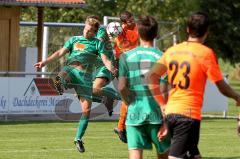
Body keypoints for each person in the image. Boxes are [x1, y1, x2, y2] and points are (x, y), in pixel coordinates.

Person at [148, 11, 240, 159]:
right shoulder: (206, 53)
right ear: (207, 32)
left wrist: (161, 104)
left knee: (193, 155)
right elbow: (221, 85)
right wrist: (237, 97)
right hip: (188, 115)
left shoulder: (172, 51)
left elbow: (151, 77)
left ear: (188, 30)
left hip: (171, 113)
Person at [34, 16, 117, 153]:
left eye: (90, 31)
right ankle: (60, 84)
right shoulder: (74, 40)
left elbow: (105, 59)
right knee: (61, 75)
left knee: (86, 110)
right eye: (86, 28)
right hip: (71, 71)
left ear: (95, 32)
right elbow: (60, 52)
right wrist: (44, 62)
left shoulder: (97, 43)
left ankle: (78, 139)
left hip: (84, 78)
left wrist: (111, 68)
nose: (86, 32)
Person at [118, 15, 170, 159]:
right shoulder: (163, 56)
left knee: (135, 155)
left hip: (134, 113)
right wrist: (166, 121)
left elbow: (121, 87)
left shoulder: (126, 57)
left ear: (138, 33)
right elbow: (164, 91)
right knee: (164, 155)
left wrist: (128, 102)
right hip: (156, 115)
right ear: (156, 34)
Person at [113, 10, 139, 143]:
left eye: (133, 19)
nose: (133, 21)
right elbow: (112, 36)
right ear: (123, 23)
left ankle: (122, 126)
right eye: (130, 21)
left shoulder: (136, 28)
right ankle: (122, 127)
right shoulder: (118, 31)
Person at [90, 15, 121, 116]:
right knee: (81, 93)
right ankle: (106, 99)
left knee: (94, 89)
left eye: (92, 24)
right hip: (95, 67)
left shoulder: (101, 31)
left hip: (106, 66)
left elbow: (99, 41)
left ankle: (121, 97)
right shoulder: (88, 35)